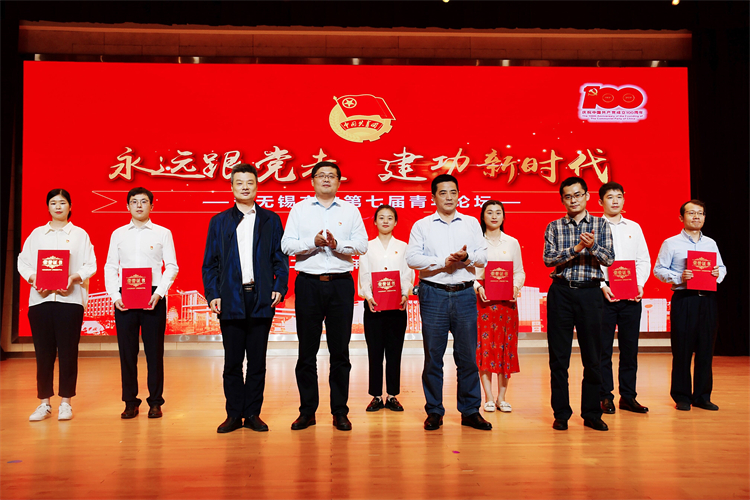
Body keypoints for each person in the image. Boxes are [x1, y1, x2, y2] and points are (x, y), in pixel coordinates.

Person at [281, 161, 368, 432]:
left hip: (341, 285)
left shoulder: (350, 210)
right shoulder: (299, 209)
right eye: (321, 175)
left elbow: (362, 245)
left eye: (332, 176)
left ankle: (340, 411)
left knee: (340, 351)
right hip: (308, 284)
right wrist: (313, 243)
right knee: (306, 352)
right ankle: (307, 412)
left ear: (339, 182)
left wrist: (336, 245)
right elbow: (286, 245)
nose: (326, 179)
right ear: (312, 181)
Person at [202, 164, 288, 433]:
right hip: (231, 299)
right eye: (239, 183)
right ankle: (233, 414)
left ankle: (252, 413)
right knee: (232, 362)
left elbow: (280, 258)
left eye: (250, 182)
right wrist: (213, 294)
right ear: (231, 187)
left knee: (257, 361)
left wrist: (279, 286)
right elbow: (210, 264)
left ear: (257, 186)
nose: (245, 187)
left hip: (261, 298)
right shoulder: (219, 221)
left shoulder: (270, 220)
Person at [406, 173, 492, 431]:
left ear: (459, 195)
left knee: (467, 357)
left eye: (453, 192)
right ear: (433, 197)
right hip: (433, 293)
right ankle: (434, 410)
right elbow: (412, 258)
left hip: (464, 293)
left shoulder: (471, 223)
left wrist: (466, 258)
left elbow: (483, 257)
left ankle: (470, 411)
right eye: (443, 192)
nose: (448, 197)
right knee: (434, 356)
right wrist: (441, 262)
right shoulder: (422, 225)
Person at [17, 189, 96, 421]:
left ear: (70, 206)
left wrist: (73, 278)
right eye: (53, 203)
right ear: (48, 207)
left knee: (68, 352)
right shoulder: (37, 235)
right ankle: (44, 403)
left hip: (70, 301)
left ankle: (66, 403)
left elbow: (90, 265)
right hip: (40, 300)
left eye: (62, 202)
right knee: (43, 353)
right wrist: (34, 278)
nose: (58, 207)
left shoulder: (80, 235)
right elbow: (23, 262)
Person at [543, 176, 614, 432]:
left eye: (578, 195)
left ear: (586, 196)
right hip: (561, 292)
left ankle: (592, 413)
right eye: (568, 196)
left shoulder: (600, 224)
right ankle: (561, 413)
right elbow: (548, 260)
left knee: (593, 357)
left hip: (590, 294)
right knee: (558, 358)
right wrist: (575, 248)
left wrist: (592, 246)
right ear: (562, 200)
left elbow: (609, 259)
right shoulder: (554, 226)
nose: (573, 200)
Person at [104, 187, 179, 420]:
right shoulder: (118, 234)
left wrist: (160, 292)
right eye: (134, 201)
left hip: (153, 296)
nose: (139, 205)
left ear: (152, 206)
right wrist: (114, 296)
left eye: (144, 201)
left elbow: (172, 266)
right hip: (124, 297)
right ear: (127, 206)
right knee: (127, 352)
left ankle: (155, 402)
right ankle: (130, 402)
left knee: (154, 352)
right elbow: (110, 266)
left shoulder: (163, 233)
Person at [654, 200, 726, 411]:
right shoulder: (671, 243)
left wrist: (717, 274)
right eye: (691, 213)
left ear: (704, 217)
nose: (696, 217)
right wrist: (679, 277)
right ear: (681, 217)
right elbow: (659, 270)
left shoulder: (710, 243)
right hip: (684, 299)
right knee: (682, 350)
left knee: (705, 350)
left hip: (708, 300)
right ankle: (682, 396)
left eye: (700, 213)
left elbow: (722, 267)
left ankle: (702, 396)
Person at [597, 182, 651, 415]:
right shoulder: (595, 226)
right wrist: (601, 285)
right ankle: (605, 396)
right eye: (610, 197)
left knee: (630, 348)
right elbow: (591, 262)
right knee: (603, 349)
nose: (615, 201)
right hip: (604, 293)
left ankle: (628, 396)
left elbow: (643, 259)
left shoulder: (634, 227)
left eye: (619, 196)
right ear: (600, 201)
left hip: (631, 292)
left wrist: (640, 284)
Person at [358, 205, 414, 413]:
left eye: (390, 218)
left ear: (395, 222)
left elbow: (407, 274)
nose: (385, 221)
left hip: (397, 306)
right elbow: (364, 275)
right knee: (374, 352)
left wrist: (405, 293)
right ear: (375, 222)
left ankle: (392, 395)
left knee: (394, 352)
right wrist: (369, 296)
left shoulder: (403, 247)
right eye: (381, 217)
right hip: (374, 306)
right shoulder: (367, 247)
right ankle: (375, 396)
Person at [473, 200, 525, 413]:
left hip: (507, 304)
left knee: (505, 347)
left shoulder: (512, 242)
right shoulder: (476, 243)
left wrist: (515, 287)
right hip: (483, 302)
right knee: (485, 347)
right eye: (489, 212)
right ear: (482, 216)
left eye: (498, 212)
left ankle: (502, 397)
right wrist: (478, 287)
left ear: (503, 216)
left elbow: (519, 272)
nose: (494, 216)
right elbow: (469, 272)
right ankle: (488, 396)